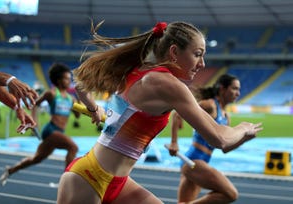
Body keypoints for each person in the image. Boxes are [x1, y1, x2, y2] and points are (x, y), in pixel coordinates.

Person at [57, 21, 262, 204]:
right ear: (174, 52)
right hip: (89, 178)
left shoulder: (139, 69)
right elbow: (219, 138)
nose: (202, 64)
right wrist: (243, 128)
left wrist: (94, 109)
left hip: (117, 182)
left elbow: (81, 85)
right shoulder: (166, 83)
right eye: (197, 54)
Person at [168, 74, 244, 204]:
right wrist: (174, 142)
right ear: (222, 89)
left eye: (239, 89)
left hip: (201, 163)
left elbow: (224, 148)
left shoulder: (226, 116)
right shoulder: (210, 105)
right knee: (231, 194)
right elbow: (177, 113)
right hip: (193, 161)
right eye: (234, 88)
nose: (238, 93)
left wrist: (245, 138)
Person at [0, 63, 79, 186]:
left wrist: (79, 102)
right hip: (51, 130)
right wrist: (35, 121)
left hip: (59, 132)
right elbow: (36, 104)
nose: (69, 81)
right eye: (67, 78)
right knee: (73, 147)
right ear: (58, 80)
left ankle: (10, 170)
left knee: (36, 159)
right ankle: (66, 183)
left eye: (70, 79)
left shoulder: (71, 98)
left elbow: (77, 115)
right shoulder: (52, 94)